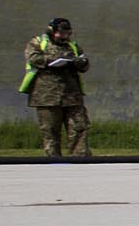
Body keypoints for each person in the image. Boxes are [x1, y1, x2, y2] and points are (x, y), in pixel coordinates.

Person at [21, 14, 91, 159]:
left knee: (79, 127)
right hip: (46, 95)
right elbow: (34, 59)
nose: (64, 36)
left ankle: (80, 159)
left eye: (67, 33)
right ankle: (53, 161)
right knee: (50, 131)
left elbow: (84, 65)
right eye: (61, 33)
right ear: (52, 32)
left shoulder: (73, 46)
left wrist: (79, 62)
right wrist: (55, 60)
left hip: (72, 95)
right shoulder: (37, 43)